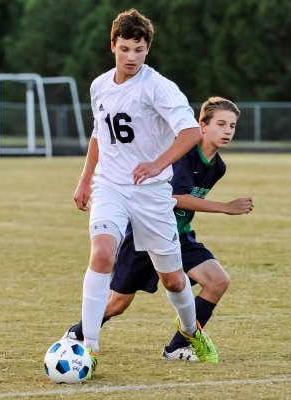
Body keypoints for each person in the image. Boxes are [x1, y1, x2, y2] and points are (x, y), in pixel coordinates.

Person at [72, 8, 212, 378]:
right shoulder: (100, 85)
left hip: (151, 193)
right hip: (111, 186)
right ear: (112, 46)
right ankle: (90, 347)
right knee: (102, 253)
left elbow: (191, 132)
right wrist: (85, 179)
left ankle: (191, 331)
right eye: (124, 48)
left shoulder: (159, 87)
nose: (131, 56)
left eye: (139, 49)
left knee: (174, 279)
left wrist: (156, 164)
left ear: (148, 48)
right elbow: (99, 135)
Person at [65, 96, 254, 363]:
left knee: (217, 281)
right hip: (147, 231)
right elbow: (174, 196)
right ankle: (77, 334)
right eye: (221, 124)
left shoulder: (217, 167)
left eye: (232, 126)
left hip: (179, 235)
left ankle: (178, 347)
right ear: (202, 125)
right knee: (118, 303)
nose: (227, 131)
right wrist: (225, 206)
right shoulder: (184, 154)